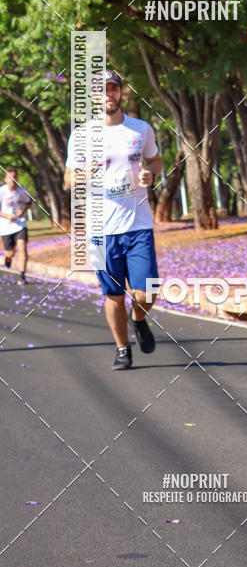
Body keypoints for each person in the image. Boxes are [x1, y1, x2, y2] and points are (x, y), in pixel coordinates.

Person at [64, 69, 163, 370]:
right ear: (94, 97)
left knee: (148, 291)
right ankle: (122, 349)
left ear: (122, 92)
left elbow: (155, 159)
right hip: (101, 229)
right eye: (102, 90)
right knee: (115, 296)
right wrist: (85, 174)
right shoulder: (82, 135)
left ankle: (139, 319)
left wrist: (151, 174)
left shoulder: (141, 129)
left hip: (138, 224)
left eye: (113, 89)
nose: (109, 94)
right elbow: (68, 179)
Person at [0, 167, 32, 285]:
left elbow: (29, 203)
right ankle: (8, 258)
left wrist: (22, 211)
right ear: (5, 179)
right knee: (10, 253)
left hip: (20, 224)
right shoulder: (1, 192)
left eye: (14, 177)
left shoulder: (22, 191)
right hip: (5, 226)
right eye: (10, 177)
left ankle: (22, 275)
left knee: (22, 247)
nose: (12, 180)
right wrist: (7, 216)